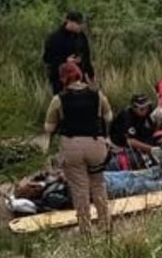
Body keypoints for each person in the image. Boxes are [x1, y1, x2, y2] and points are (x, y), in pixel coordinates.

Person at [40, 62, 114, 234]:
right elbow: (109, 117)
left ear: (63, 78)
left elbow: (48, 128)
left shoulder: (59, 99)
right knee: (98, 184)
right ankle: (106, 224)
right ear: (80, 74)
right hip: (96, 144)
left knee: (80, 189)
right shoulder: (97, 94)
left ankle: (85, 229)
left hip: (72, 146)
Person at [42, 11, 95, 96]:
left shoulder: (81, 37)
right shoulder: (55, 38)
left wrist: (91, 75)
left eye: (81, 23)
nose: (80, 26)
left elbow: (87, 56)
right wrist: (65, 60)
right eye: (77, 23)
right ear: (69, 22)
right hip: (61, 80)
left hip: (80, 79)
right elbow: (47, 58)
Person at [106, 94, 158, 171]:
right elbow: (130, 141)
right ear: (134, 108)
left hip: (139, 138)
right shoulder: (127, 117)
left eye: (147, 107)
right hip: (119, 145)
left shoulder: (148, 113)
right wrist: (151, 149)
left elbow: (152, 128)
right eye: (142, 109)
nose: (145, 111)